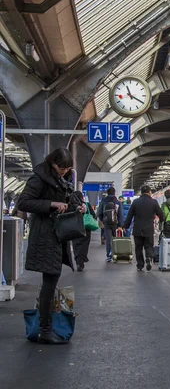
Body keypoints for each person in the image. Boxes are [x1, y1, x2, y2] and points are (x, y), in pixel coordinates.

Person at [17, 148, 86, 345]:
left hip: (56, 235)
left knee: (51, 280)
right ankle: (44, 329)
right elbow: (23, 202)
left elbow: (66, 202)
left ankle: (45, 326)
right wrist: (51, 204)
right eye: (60, 167)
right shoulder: (39, 178)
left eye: (67, 168)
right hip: (44, 236)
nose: (64, 171)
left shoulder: (63, 179)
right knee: (50, 280)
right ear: (52, 163)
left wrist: (76, 206)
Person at [123, 185, 164, 271]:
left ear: (141, 192)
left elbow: (129, 215)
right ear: (149, 192)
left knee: (138, 247)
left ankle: (140, 265)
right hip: (148, 228)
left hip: (137, 228)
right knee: (149, 245)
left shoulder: (135, 202)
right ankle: (149, 258)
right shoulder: (154, 202)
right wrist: (163, 220)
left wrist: (125, 226)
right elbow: (160, 214)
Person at [72, 191, 96, 272]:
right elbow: (94, 215)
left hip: (74, 228)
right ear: (82, 197)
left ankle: (78, 260)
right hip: (86, 228)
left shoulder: (71, 206)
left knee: (76, 245)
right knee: (84, 246)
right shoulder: (86, 205)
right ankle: (81, 261)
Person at [97, 187, 123, 262]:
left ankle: (109, 256)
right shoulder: (118, 202)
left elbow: (99, 213)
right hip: (116, 224)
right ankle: (116, 254)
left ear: (107, 193)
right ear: (114, 193)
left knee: (108, 240)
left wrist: (103, 220)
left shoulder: (103, 202)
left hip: (107, 224)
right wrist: (120, 225)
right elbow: (120, 215)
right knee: (116, 239)